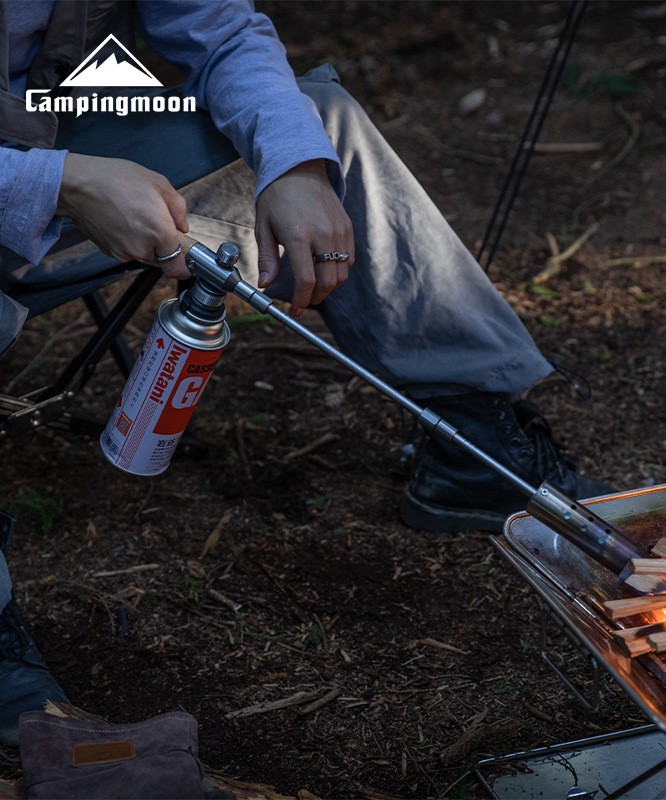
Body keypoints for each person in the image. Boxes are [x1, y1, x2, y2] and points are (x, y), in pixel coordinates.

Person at [0, 0, 611, 745]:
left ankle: (471, 435)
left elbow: (219, 29)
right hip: (29, 171)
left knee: (318, 120)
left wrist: (294, 164)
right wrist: (56, 184)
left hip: (52, 123)